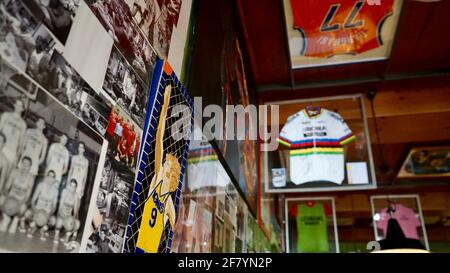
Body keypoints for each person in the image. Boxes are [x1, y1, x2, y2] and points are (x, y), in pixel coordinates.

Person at [135, 85, 180, 253]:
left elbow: (176, 231)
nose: (163, 165)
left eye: (166, 165)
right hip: (139, 243)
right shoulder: (158, 177)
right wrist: (165, 107)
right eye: (165, 163)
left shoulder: (169, 203)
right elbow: (159, 137)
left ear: (171, 175)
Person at [0, 157, 35, 233]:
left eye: (27, 165)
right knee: (1, 199)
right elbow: (6, 187)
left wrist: (21, 202)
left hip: (21, 200)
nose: (25, 166)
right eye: (24, 163)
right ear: (21, 164)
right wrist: (8, 199)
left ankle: (15, 220)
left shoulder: (31, 178)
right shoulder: (14, 172)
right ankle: (6, 218)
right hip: (11, 197)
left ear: (30, 167)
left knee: (23, 207)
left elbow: (28, 195)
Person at [24, 170, 59, 240]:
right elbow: (33, 200)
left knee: (54, 221)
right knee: (27, 213)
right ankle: (33, 226)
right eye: (49, 176)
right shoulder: (40, 185)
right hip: (38, 209)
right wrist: (35, 210)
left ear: (54, 179)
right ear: (46, 177)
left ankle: (43, 229)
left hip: (47, 212)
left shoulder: (55, 190)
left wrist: (50, 213)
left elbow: (54, 206)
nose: (50, 178)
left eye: (52, 177)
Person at [0, 99, 27, 169]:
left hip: (12, 151)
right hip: (2, 147)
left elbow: (21, 143)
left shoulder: (23, 124)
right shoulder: (6, 115)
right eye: (17, 105)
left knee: (4, 175)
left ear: (23, 109)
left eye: (20, 106)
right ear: (14, 105)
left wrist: (17, 157)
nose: (18, 107)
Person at [54, 178, 80, 244]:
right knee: (59, 222)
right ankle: (56, 235)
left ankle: (66, 237)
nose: (72, 188)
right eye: (71, 186)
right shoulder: (65, 191)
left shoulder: (76, 195)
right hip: (62, 214)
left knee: (77, 224)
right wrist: (60, 215)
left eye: (74, 186)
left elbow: (75, 211)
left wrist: (73, 219)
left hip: (69, 216)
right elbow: (60, 206)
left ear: (76, 188)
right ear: (69, 186)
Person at [67, 142, 89, 212]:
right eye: (79, 147)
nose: (80, 149)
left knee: (76, 208)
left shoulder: (86, 161)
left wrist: (83, 188)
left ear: (84, 150)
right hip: (72, 183)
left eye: (82, 147)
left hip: (79, 185)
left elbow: (85, 176)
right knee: (68, 203)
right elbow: (70, 171)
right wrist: (68, 183)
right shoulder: (74, 158)